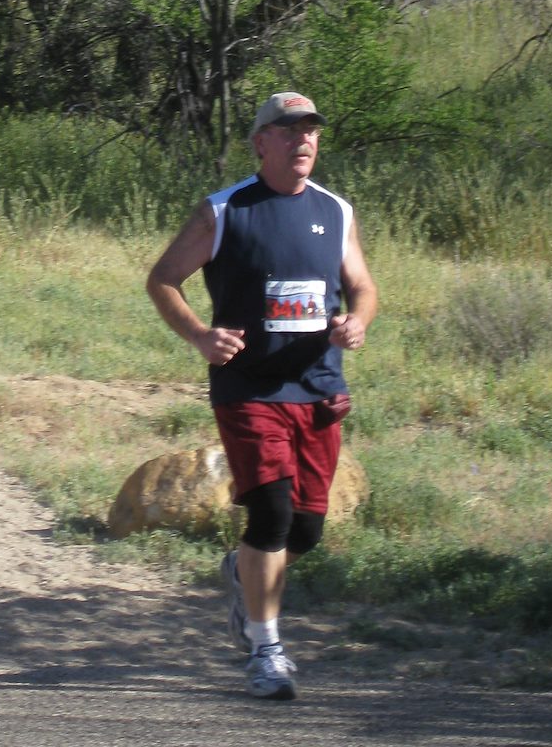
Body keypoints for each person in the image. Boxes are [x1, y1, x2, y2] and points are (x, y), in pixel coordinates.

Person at [146, 91, 377, 701]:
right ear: (261, 143)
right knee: (270, 515)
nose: (304, 140)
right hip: (249, 388)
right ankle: (265, 648)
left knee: (305, 531)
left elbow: (363, 287)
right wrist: (200, 334)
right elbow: (163, 278)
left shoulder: (336, 211)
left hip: (319, 388)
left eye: (312, 131)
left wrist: (358, 321)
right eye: (289, 130)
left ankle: (241, 573)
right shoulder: (224, 211)